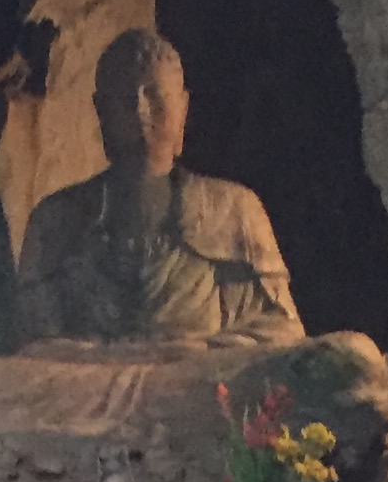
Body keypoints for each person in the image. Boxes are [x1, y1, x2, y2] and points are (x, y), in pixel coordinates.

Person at [16, 30, 302, 343]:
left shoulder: (234, 208)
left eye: (154, 95)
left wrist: (197, 353)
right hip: (92, 379)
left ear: (183, 107)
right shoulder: (56, 218)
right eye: (125, 98)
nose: (140, 111)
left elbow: (283, 333)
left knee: (349, 352)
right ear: (100, 110)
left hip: (197, 375)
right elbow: (32, 343)